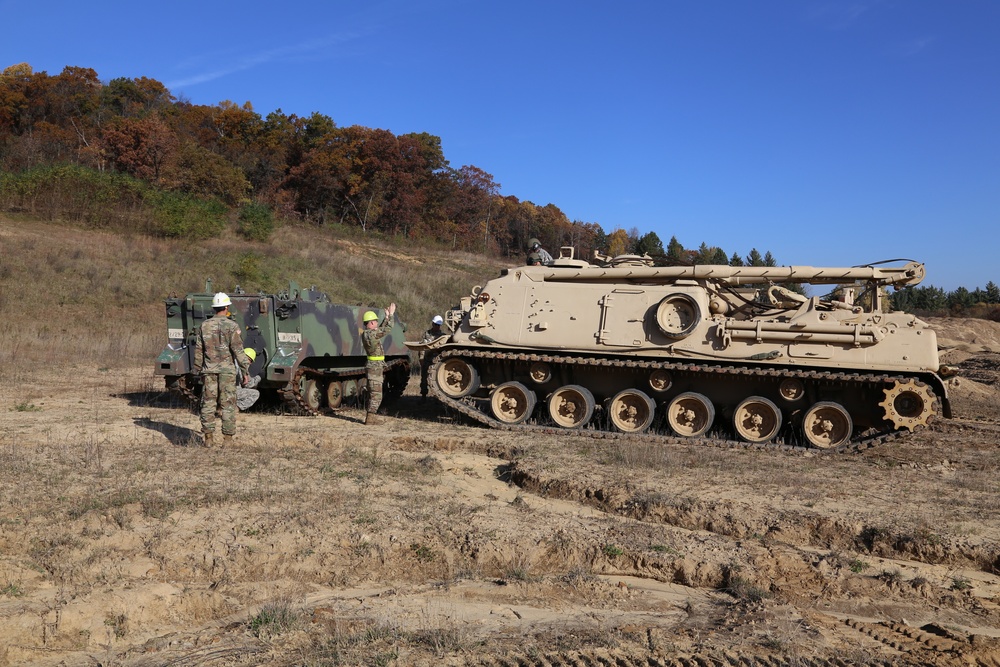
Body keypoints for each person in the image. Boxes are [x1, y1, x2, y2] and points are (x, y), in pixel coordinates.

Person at [193, 292, 252, 446]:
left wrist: (197, 369)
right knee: (228, 405)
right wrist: (245, 371)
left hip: (209, 371)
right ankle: (228, 440)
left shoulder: (204, 325)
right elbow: (238, 351)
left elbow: (198, 350)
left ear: (214, 308)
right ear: (226, 307)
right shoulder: (232, 326)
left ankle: (208, 439)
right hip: (227, 372)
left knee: (208, 404)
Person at [361, 303, 396, 425]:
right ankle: (370, 419)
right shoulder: (371, 334)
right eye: (375, 321)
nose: (376, 323)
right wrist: (391, 315)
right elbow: (387, 329)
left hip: (375, 366)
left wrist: (386, 318)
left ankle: (371, 417)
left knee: (374, 393)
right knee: (376, 395)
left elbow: (380, 330)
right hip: (374, 367)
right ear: (370, 323)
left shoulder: (369, 333)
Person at [419, 315, 445, 399]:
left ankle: (437, 397)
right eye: (436, 324)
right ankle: (423, 396)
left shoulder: (442, 336)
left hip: (437, 361)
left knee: (438, 380)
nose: (437, 327)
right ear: (432, 324)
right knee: (424, 379)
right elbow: (422, 347)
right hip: (427, 359)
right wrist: (421, 358)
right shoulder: (427, 334)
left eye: (439, 325)